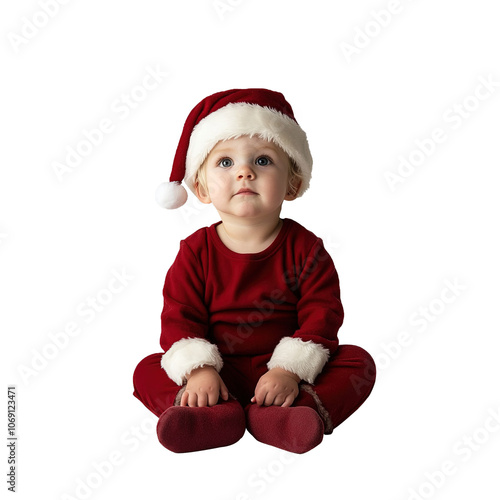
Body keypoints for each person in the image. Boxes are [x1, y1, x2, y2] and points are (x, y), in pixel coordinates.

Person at [133, 88, 376, 454]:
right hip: (218, 373)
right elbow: (180, 318)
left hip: (284, 376)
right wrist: (198, 370)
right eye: (225, 163)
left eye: (263, 161)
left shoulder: (307, 248)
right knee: (147, 369)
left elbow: (321, 315)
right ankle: (208, 415)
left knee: (358, 362)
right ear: (200, 187)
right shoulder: (195, 252)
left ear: (292, 183)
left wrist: (289, 371)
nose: (245, 171)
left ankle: (289, 415)